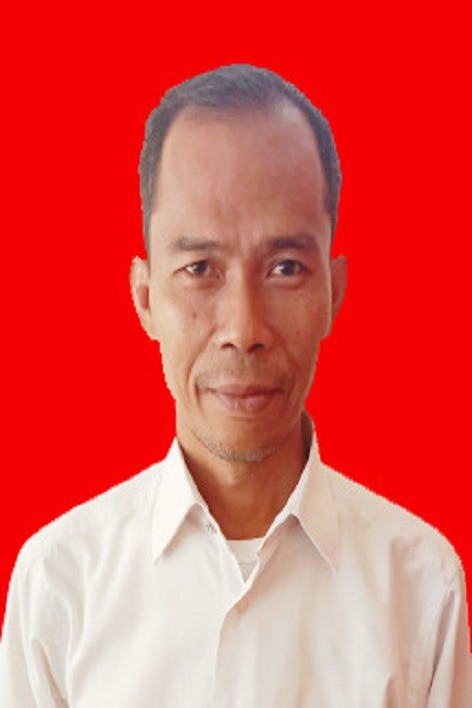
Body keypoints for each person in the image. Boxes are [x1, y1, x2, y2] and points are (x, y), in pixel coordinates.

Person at [1, 64, 470, 707]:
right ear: (145, 298)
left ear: (333, 293)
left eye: (285, 267)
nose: (244, 330)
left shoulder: (422, 589)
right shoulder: (58, 589)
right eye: (200, 268)